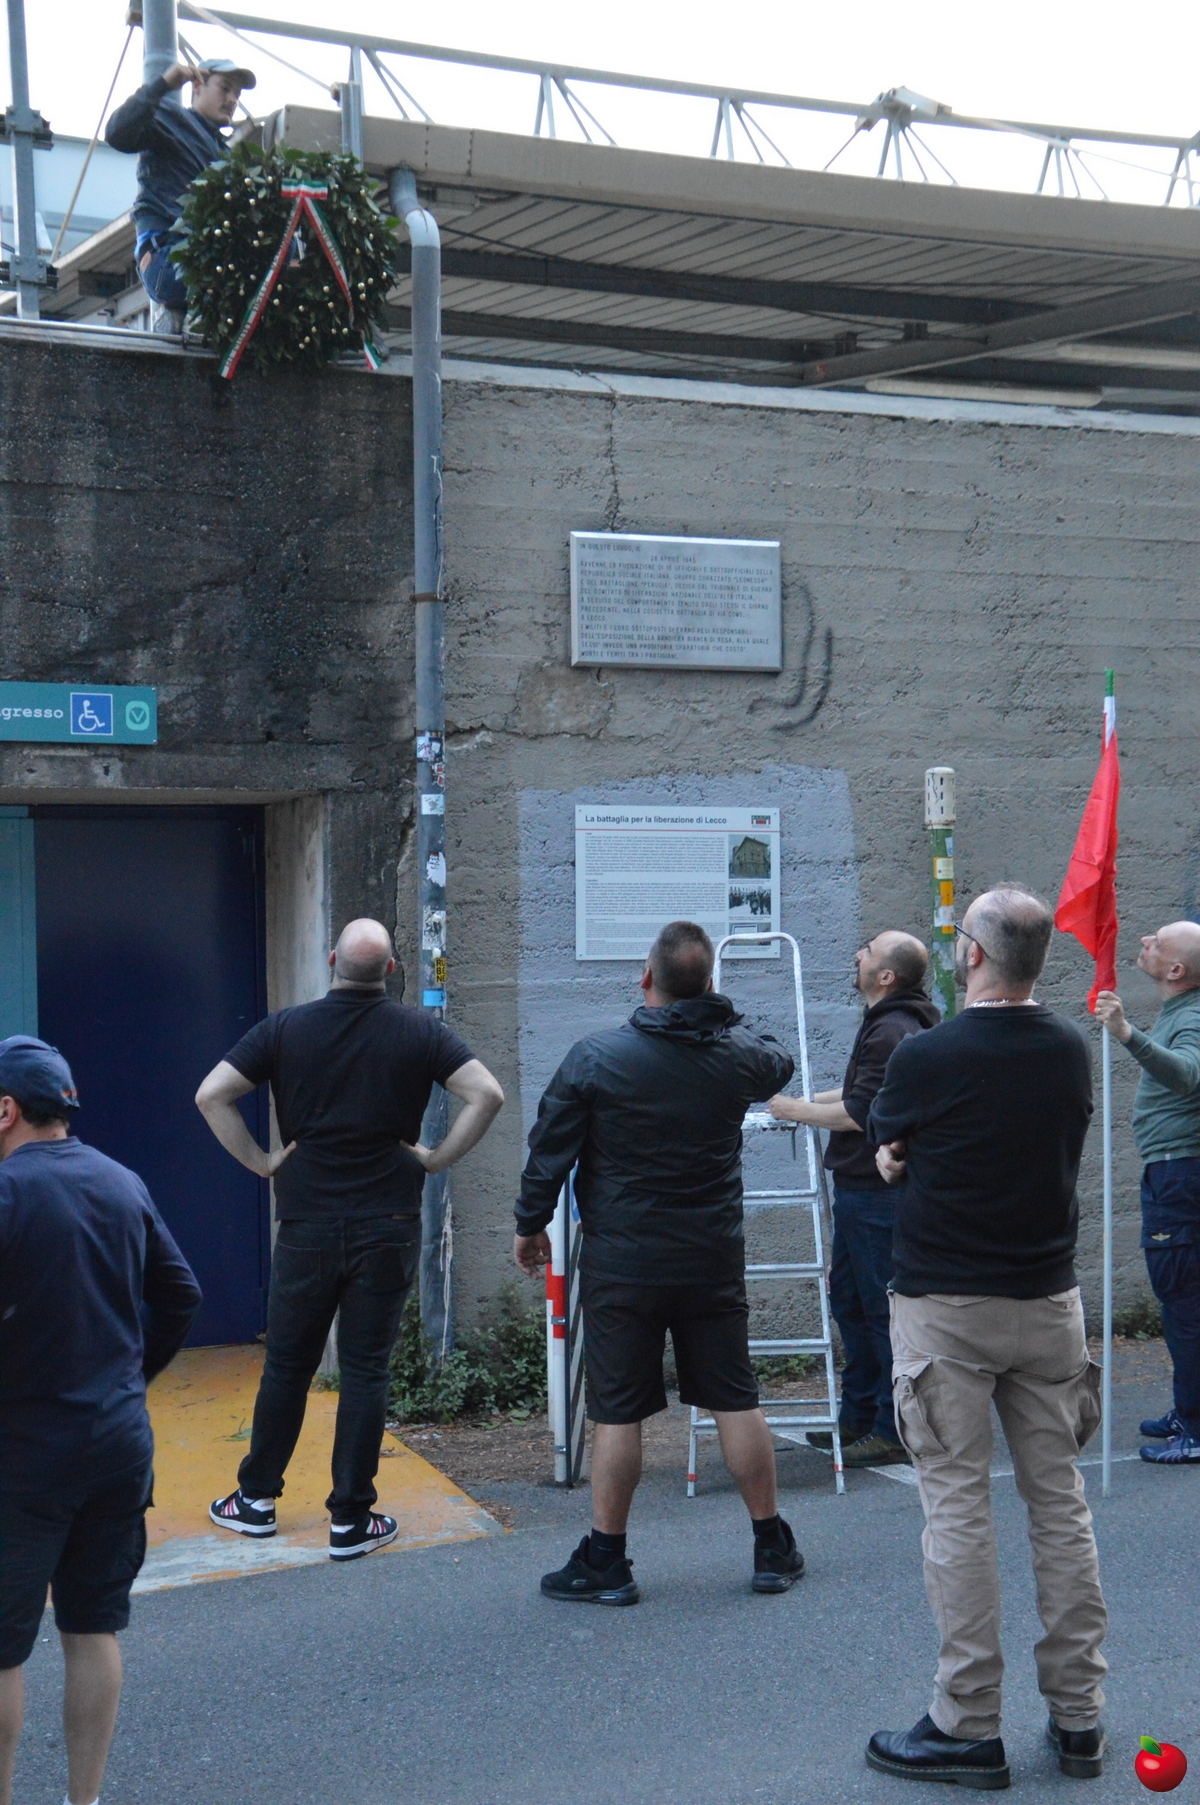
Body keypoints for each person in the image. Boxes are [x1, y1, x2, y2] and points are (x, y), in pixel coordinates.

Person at [864, 886, 1107, 1788]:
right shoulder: (1069, 1046)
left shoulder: (928, 1053)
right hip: (1048, 1301)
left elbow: (888, 1140)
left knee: (958, 1505)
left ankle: (967, 1722)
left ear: (971, 954)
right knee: (1060, 1504)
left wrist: (898, 1155)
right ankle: (1080, 1716)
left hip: (946, 1307)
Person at [514, 919, 802, 1605]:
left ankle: (607, 1561)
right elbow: (779, 1059)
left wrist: (529, 1225)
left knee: (618, 1411)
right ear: (709, 986)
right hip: (710, 1258)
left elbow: (549, 1150)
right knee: (734, 1398)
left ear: (646, 978)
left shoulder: (595, 1058)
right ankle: (771, 1547)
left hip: (624, 1263)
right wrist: (721, 1012)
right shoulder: (736, 1056)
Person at [196, 919, 503, 1561]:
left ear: (333, 959)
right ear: (390, 969)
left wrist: (263, 1162)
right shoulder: (420, 1031)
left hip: (306, 1225)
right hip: (388, 1223)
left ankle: (255, 1501)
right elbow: (487, 1094)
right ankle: (351, 1519)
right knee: (366, 1370)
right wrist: (435, 1159)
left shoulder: (283, 1029)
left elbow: (212, 1094)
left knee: (288, 1365)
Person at [0, 1036, 201, 1805]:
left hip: (22, 1455)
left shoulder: (7, 1194)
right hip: (117, 1445)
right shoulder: (122, 1181)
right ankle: (83, 1801)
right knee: (92, 1627)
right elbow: (181, 1294)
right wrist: (129, 1378)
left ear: (6, 1110)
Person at [769, 931, 937, 1469]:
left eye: (866, 950)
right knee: (851, 1302)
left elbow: (859, 1114)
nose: (856, 954)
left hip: (875, 1196)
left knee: (879, 1312)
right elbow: (860, 1095)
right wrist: (794, 1100)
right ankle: (858, 1416)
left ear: (885, 976)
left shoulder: (891, 1030)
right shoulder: (889, 1023)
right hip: (861, 1193)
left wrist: (794, 1112)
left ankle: (891, 1429)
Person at [1095, 921, 1200, 1465]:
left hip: (1181, 1176)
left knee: (1184, 1302)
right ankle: (1189, 1410)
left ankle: (1196, 1428)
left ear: (1176, 970)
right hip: (1175, 1173)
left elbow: (1188, 1075)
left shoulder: (1194, 1016)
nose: (1143, 943)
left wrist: (1126, 1034)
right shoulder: (1181, 1011)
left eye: (1157, 943)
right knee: (1183, 1299)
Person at [105, 56, 255, 328]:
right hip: (168, 257)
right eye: (225, 88)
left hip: (202, 261)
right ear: (197, 85)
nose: (232, 99)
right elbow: (117, 132)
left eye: (237, 94)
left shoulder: (226, 154)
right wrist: (163, 84)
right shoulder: (170, 117)